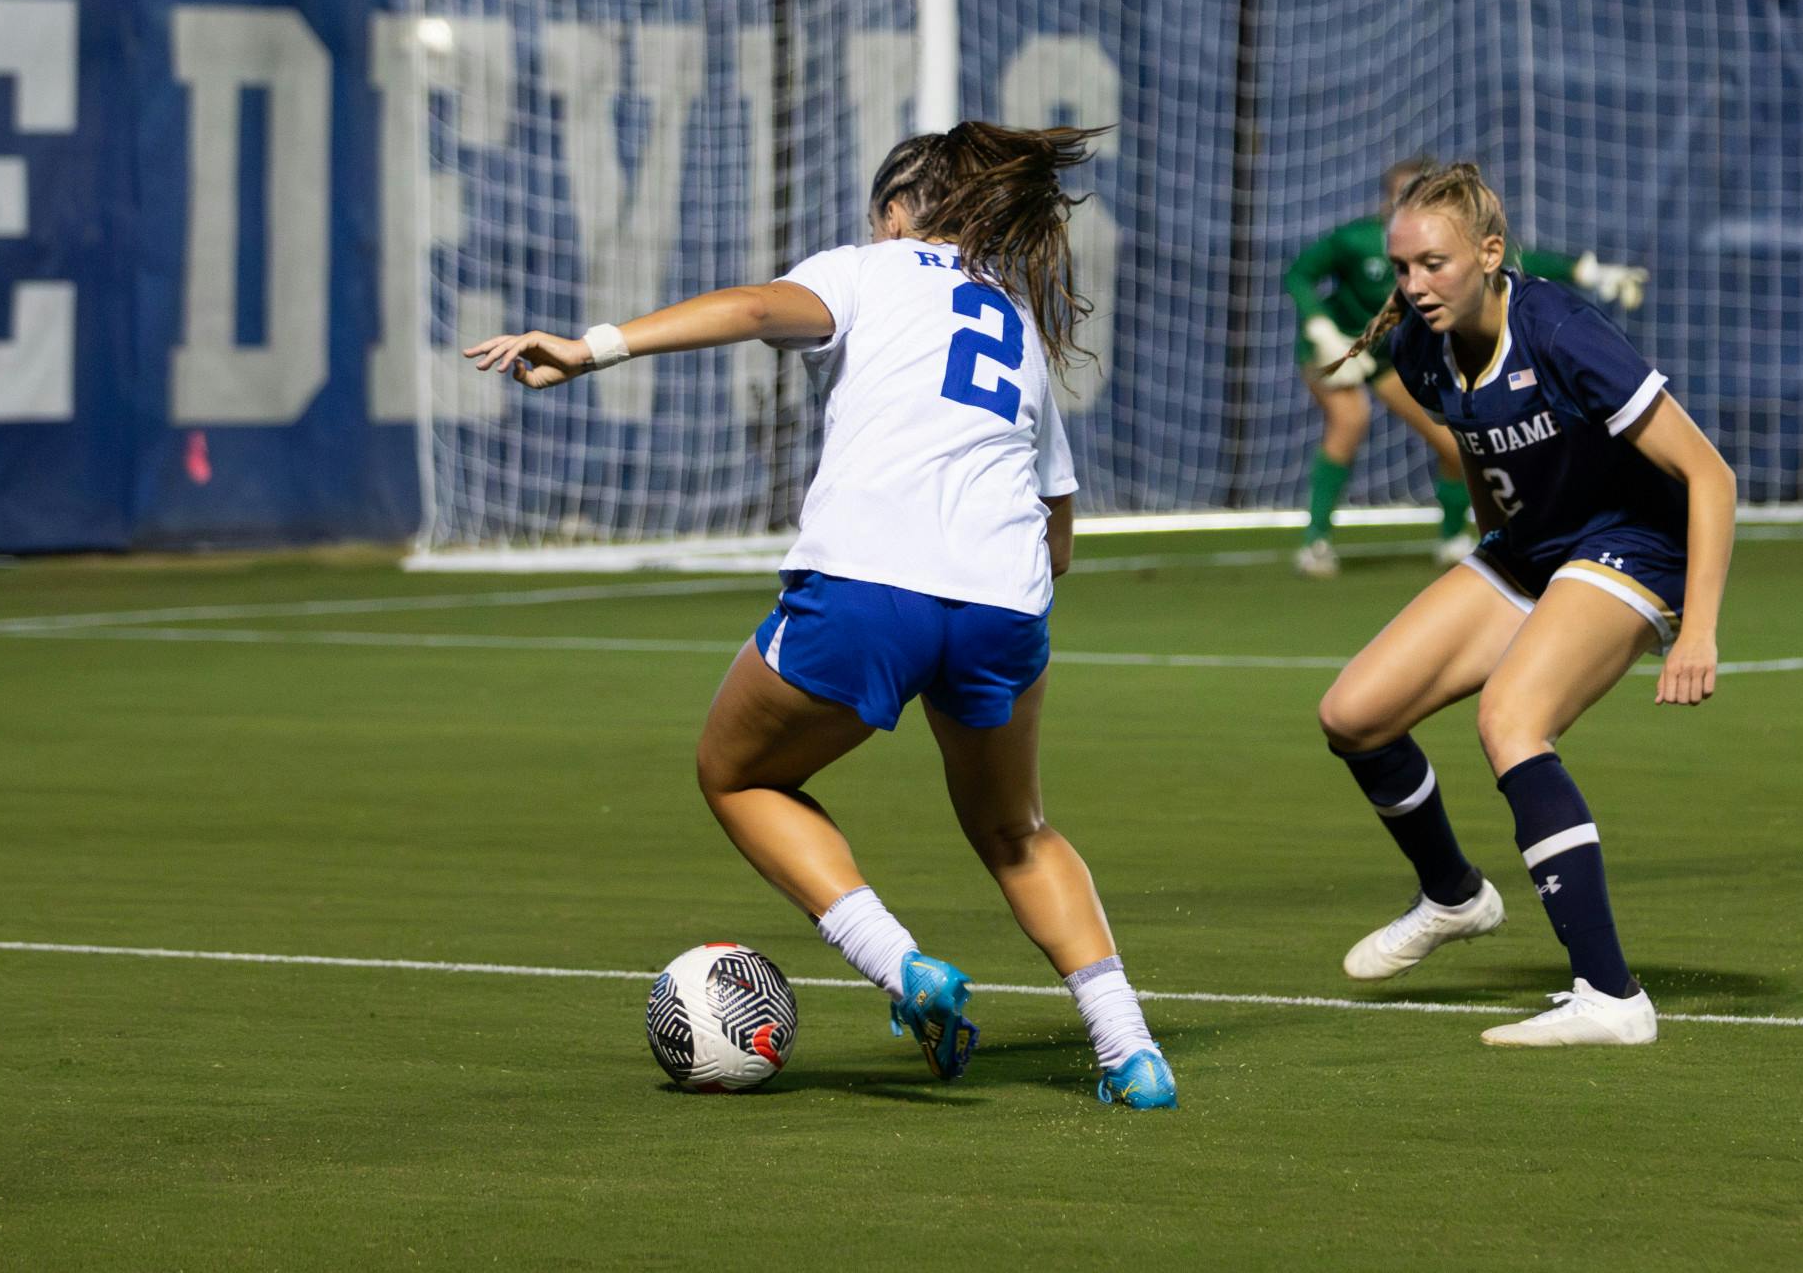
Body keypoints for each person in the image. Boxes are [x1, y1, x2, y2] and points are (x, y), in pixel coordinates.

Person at [465, 121, 1176, 1107]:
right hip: (1004, 600)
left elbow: (758, 307)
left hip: (868, 582)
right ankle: (1131, 1050)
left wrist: (592, 346)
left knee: (736, 773)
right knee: (1016, 829)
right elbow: (1057, 538)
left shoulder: (864, 269)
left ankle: (902, 965)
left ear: (897, 213)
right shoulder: (1012, 317)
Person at [1313, 162, 1734, 1047]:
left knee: (1511, 720)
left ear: (1490, 253)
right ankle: (1454, 895)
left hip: (1633, 545)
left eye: (1434, 264)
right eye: (1402, 267)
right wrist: (1493, 560)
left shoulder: (1561, 330)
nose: (1414, 285)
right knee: (1354, 714)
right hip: (1530, 548)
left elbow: (1710, 474)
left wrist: (1697, 629)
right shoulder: (1420, 349)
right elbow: (1479, 450)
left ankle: (1611, 997)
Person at [1285, 159, 1648, 577]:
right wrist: (1321, 328)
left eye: (1433, 264)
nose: (1415, 281)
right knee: (1349, 421)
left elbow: (1515, 256)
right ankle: (1315, 542)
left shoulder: (1527, 301)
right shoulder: (1354, 239)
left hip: (1387, 356)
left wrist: (1585, 270)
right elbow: (1299, 274)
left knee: (1453, 440)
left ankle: (1455, 538)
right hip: (1333, 347)